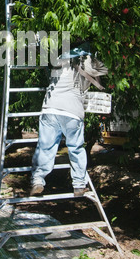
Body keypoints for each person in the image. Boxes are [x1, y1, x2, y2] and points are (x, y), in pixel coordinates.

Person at [30, 44, 108, 197]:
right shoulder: (89, 62)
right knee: (76, 148)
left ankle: (38, 180)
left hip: (50, 108)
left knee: (45, 147)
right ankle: (79, 185)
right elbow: (100, 85)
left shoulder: (60, 60)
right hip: (72, 112)